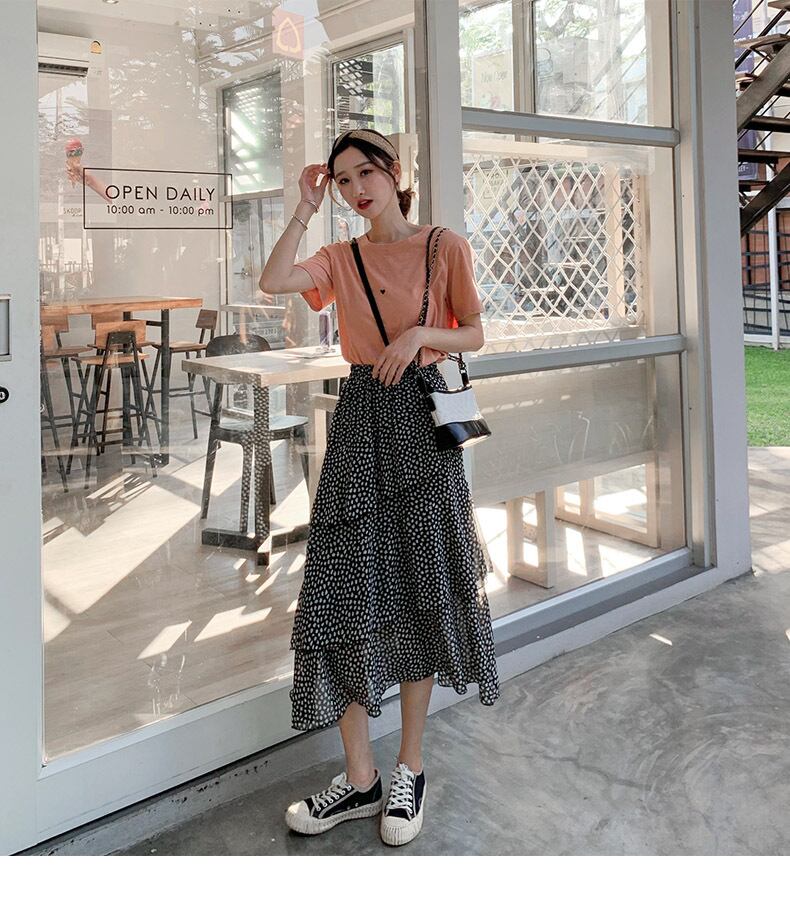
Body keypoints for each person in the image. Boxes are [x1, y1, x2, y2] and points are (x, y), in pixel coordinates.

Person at [258, 127, 500, 847]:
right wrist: (304, 207)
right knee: (342, 592)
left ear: (395, 173)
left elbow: (476, 332)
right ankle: (359, 776)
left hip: (422, 426)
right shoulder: (340, 256)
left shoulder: (443, 246)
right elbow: (274, 281)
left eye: (366, 172)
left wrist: (419, 337)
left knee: (421, 586)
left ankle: (409, 768)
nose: (356, 188)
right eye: (342, 180)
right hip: (360, 422)